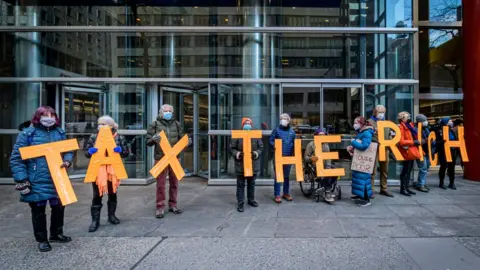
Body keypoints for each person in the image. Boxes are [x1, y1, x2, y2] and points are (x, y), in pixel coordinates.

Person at [9, 106, 73, 252]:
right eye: (45, 115)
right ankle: (42, 239)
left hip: (58, 178)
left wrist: (68, 161)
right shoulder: (28, 134)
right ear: (38, 116)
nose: (49, 118)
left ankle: (56, 233)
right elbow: (16, 159)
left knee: (59, 207)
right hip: (36, 179)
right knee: (38, 210)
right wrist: (22, 179)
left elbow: (68, 151)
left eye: (51, 115)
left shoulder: (59, 132)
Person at [84, 115, 130, 232]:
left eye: (103, 124)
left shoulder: (118, 137)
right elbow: (86, 152)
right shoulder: (94, 136)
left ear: (110, 125)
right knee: (97, 195)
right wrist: (90, 151)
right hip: (97, 170)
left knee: (112, 193)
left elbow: (126, 153)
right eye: (99, 124)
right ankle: (95, 221)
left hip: (112, 169)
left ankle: (111, 216)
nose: (100, 126)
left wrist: (120, 151)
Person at [146, 104, 190, 218]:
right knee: (160, 185)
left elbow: (182, 138)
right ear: (161, 112)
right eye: (166, 111)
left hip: (175, 158)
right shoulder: (154, 124)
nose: (168, 112)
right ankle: (160, 207)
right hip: (160, 158)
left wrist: (187, 142)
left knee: (174, 183)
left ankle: (173, 205)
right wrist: (153, 139)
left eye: (170, 111)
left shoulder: (177, 124)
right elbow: (147, 142)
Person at [230, 118, 264, 212]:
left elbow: (261, 147)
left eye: (249, 123)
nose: (247, 125)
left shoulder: (256, 136)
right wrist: (237, 154)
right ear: (242, 125)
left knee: (251, 184)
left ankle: (251, 200)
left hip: (253, 165)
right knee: (240, 184)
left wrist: (256, 153)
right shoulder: (237, 135)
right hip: (240, 165)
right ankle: (240, 203)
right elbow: (231, 148)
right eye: (246, 123)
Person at [367, 105, 394, 198]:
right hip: (374, 148)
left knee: (384, 170)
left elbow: (389, 135)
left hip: (385, 149)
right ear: (375, 112)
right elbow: (366, 135)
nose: (381, 114)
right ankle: (371, 189)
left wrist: (391, 149)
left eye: (383, 112)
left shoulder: (386, 123)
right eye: (380, 112)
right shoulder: (369, 122)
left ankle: (384, 188)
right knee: (372, 171)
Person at [269, 113, 296, 203]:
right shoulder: (276, 130)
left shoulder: (292, 132)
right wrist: (275, 146)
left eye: (285, 118)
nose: (283, 120)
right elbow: (271, 140)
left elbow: (295, 143)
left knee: (286, 176)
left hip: (288, 157)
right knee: (278, 176)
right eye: (281, 118)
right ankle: (277, 195)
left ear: (288, 121)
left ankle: (286, 193)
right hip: (278, 157)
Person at [348, 116, 374, 207]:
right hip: (360, 160)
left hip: (364, 161)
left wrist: (353, 142)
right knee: (358, 178)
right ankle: (359, 195)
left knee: (363, 179)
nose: (354, 124)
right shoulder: (361, 132)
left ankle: (366, 199)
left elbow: (364, 146)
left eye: (356, 122)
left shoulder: (366, 133)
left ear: (361, 123)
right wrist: (352, 147)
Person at [397, 112, 421, 197]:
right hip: (406, 151)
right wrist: (413, 142)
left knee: (409, 170)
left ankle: (406, 188)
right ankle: (403, 188)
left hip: (411, 150)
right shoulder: (401, 127)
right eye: (407, 116)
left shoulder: (409, 126)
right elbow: (401, 141)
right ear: (402, 118)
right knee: (405, 171)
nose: (409, 117)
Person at [436, 117, 457, 190]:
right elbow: (436, 142)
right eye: (449, 121)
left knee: (452, 167)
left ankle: (452, 183)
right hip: (443, 151)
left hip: (452, 151)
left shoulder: (452, 131)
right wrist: (443, 142)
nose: (451, 122)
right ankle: (441, 183)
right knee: (443, 167)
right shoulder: (439, 131)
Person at [415, 114, 433, 192]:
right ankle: (421, 185)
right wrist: (424, 141)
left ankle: (421, 183)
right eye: (424, 121)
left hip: (427, 151)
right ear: (420, 121)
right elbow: (417, 140)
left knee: (426, 167)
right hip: (420, 151)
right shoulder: (415, 129)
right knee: (423, 168)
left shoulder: (426, 129)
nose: (426, 122)